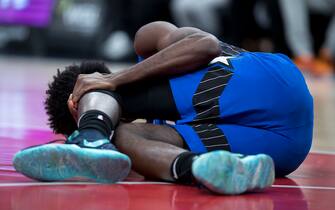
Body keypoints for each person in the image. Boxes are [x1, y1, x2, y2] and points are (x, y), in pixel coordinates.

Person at [13, 21, 313, 195]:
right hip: (286, 149)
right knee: (127, 136)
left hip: (272, 83)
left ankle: (91, 135)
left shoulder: (146, 43)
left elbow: (204, 44)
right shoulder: (141, 129)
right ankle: (198, 169)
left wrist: (114, 81)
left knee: (125, 105)